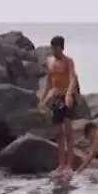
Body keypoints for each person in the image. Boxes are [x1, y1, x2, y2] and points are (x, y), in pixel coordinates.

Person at [38, 36, 78, 175]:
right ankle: (61, 165)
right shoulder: (49, 61)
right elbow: (49, 82)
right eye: (52, 47)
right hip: (55, 99)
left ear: (62, 47)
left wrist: (68, 94)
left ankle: (69, 166)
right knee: (58, 133)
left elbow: (73, 78)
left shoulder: (68, 61)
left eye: (56, 48)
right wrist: (42, 99)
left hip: (66, 97)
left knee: (68, 132)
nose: (54, 50)